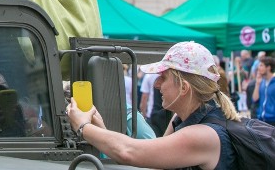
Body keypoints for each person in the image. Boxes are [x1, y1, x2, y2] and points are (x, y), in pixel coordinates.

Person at [67, 41, 240, 169]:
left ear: (184, 88)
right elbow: (155, 163)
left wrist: (83, 126)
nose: (156, 84)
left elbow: (129, 151)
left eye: (163, 77)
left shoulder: (203, 135)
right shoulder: (183, 119)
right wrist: (101, 131)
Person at [252, 56, 275, 125]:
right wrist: (257, 83)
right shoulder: (262, 82)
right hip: (261, 120)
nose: (258, 68)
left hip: (273, 121)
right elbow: (254, 99)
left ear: (268, 67)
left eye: (261, 65)